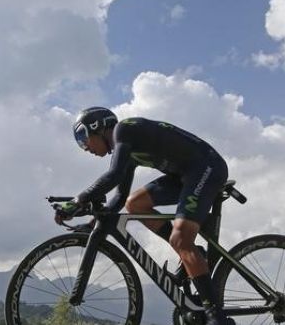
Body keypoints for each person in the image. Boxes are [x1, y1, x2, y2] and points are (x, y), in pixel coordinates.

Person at [56, 107, 234, 325]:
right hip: (185, 175)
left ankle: (216, 316)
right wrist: (93, 222)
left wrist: (77, 200)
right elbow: (120, 196)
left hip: (206, 168)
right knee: (135, 203)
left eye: (83, 138)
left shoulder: (124, 130)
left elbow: (112, 176)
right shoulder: (127, 150)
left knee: (180, 239)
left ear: (97, 127)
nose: (84, 147)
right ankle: (194, 252)